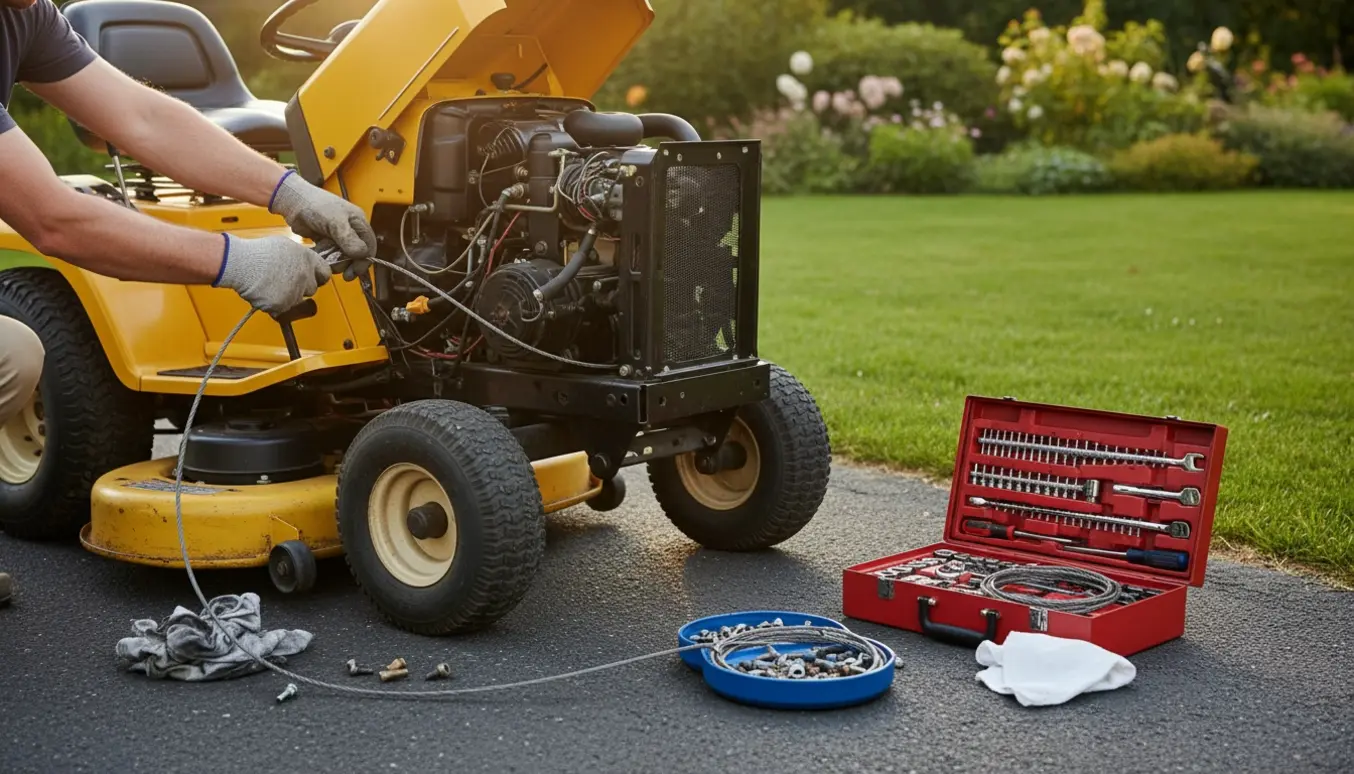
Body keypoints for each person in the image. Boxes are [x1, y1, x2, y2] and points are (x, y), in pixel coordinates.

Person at [0, 0, 378, 607]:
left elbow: (142, 117)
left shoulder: (24, 15)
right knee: (11, 353)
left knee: (11, 354)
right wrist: (236, 261)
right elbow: (54, 218)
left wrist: (290, 192)